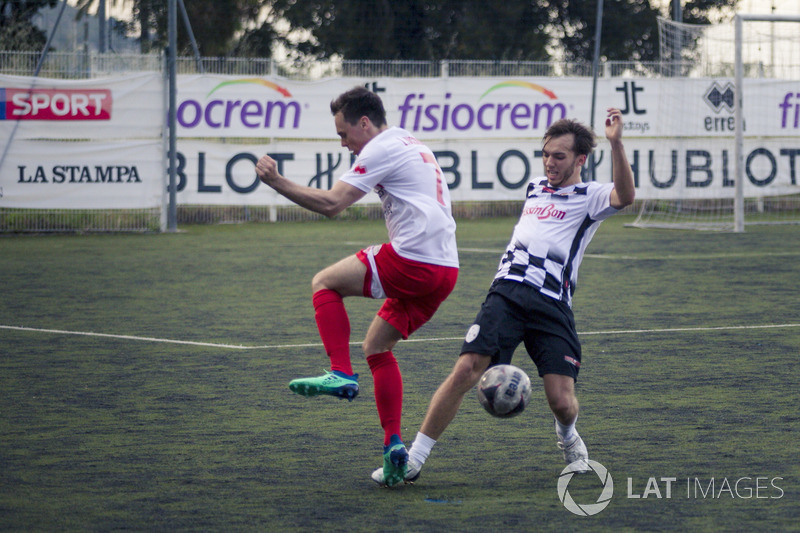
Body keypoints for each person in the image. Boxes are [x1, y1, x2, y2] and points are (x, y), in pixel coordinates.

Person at [372, 108, 635, 486]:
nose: (549, 162)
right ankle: (412, 461)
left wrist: (616, 142)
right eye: (545, 154)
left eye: (559, 156)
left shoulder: (590, 196)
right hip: (507, 292)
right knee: (465, 370)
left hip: (552, 303)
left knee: (561, 401)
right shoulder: (533, 188)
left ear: (580, 159)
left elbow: (625, 195)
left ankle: (567, 436)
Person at [255, 86, 459, 487]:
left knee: (324, 284)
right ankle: (394, 446)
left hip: (414, 259)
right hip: (445, 270)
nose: (344, 144)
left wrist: (276, 181)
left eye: (344, 134)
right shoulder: (410, 141)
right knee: (377, 347)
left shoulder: (380, 148)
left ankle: (340, 372)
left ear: (364, 123)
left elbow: (333, 204)